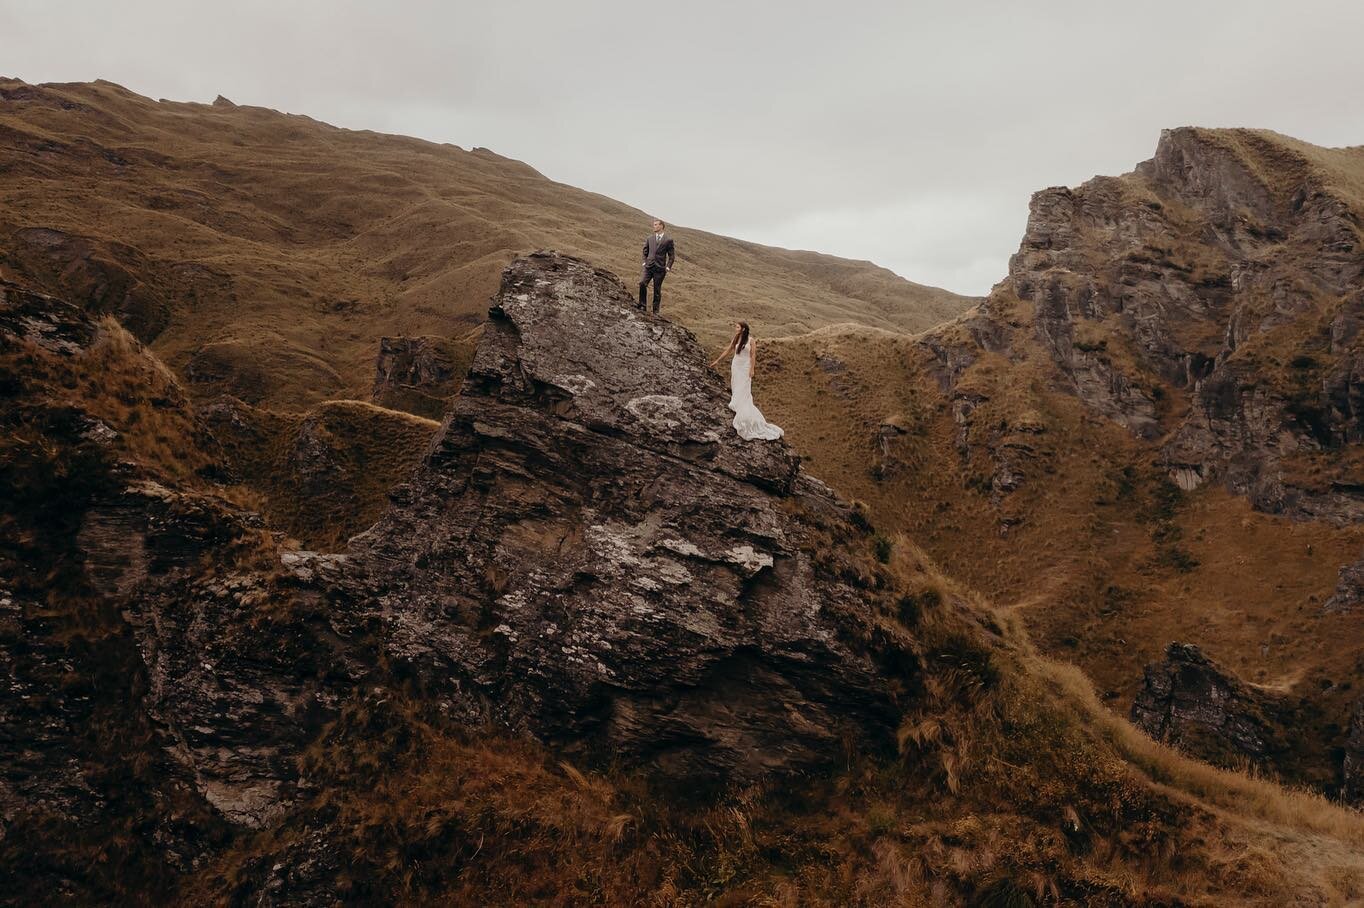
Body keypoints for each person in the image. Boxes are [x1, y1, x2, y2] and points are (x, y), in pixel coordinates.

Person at [710, 321, 783, 441]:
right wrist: (718, 360)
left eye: (737, 327)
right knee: (736, 385)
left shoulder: (751, 340)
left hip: (745, 366)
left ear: (743, 329)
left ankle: (743, 407)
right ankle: (737, 403)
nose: (735, 328)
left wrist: (752, 369)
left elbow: (753, 355)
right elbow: (728, 350)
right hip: (736, 365)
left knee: (744, 387)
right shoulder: (736, 338)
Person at [638, 218, 675, 313]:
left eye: (656, 224)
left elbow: (671, 255)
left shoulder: (668, 240)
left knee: (657, 290)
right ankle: (642, 305)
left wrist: (668, 267)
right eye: (654, 224)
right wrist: (644, 262)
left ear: (661, 226)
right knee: (642, 283)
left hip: (660, 269)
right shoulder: (649, 238)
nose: (654, 226)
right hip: (648, 267)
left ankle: (655, 311)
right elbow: (644, 251)